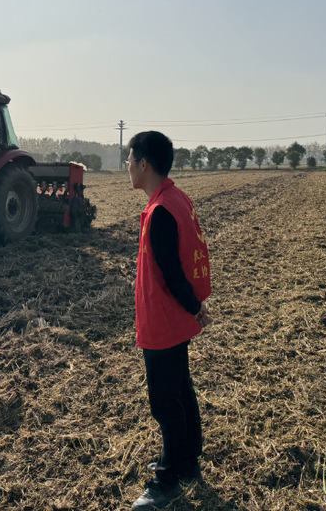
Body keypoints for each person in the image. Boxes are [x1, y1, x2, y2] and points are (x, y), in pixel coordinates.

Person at [125, 131, 213, 511]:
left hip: (163, 321)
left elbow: (173, 273)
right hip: (174, 318)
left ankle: (168, 480)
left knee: (165, 402)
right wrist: (193, 307)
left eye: (130, 160)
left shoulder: (161, 210)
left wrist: (194, 306)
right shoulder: (175, 199)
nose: (127, 166)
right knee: (180, 388)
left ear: (144, 164)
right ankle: (187, 460)